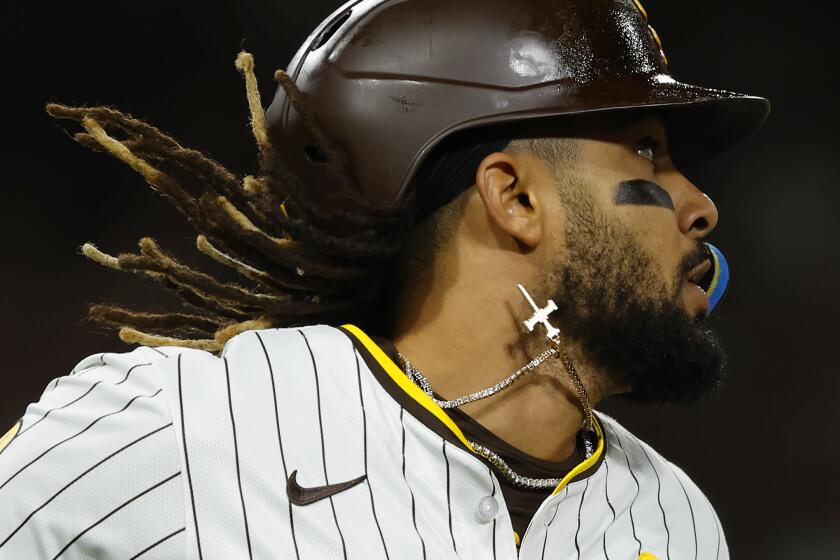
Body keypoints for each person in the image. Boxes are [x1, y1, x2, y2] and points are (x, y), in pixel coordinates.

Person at [0, 0, 768, 558]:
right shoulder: (188, 422)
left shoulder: (673, 518)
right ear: (516, 198)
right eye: (646, 153)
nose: (700, 206)